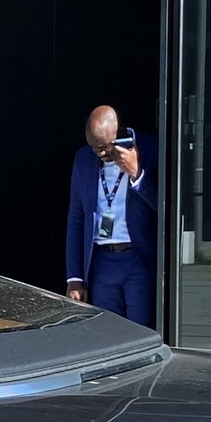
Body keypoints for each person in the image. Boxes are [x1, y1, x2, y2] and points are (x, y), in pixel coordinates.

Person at [65, 104, 158, 327]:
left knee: (140, 331)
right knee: (109, 332)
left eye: (104, 147)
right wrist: (74, 278)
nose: (100, 153)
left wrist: (137, 174)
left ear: (120, 133)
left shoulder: (150, 149)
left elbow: (167, 208)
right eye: (94, 148)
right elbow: (76, 219)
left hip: (137, 258)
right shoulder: (83, 159)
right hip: (101, 262)